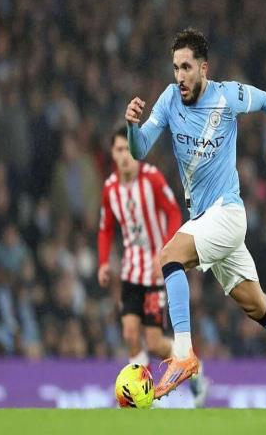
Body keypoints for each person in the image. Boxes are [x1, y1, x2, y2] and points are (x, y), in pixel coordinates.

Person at [126, 27, 266, 407]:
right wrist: (133, 127)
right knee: (255, 304)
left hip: (227, 213)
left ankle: (183, 354)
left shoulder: (226, 95)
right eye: (175, 68)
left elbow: (265, 100)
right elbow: (139, 150)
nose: (180, 76)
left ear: (204, 68)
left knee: (169, 257)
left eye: (187, 67)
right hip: (205, 219)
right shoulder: (169, 99)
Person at [98, 126, 208, 406]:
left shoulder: (152, 178)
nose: (124, 155)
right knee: (129, 333)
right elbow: (105, 228)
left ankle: (193, 368)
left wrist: (165, 252)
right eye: (119, 150)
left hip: (155, 273)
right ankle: (144, 396)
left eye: (128, 149)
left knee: (156, 342)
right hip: (131, 272)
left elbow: (173, 212)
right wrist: (103, 263)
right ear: (113, 154)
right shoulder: (110, 188)